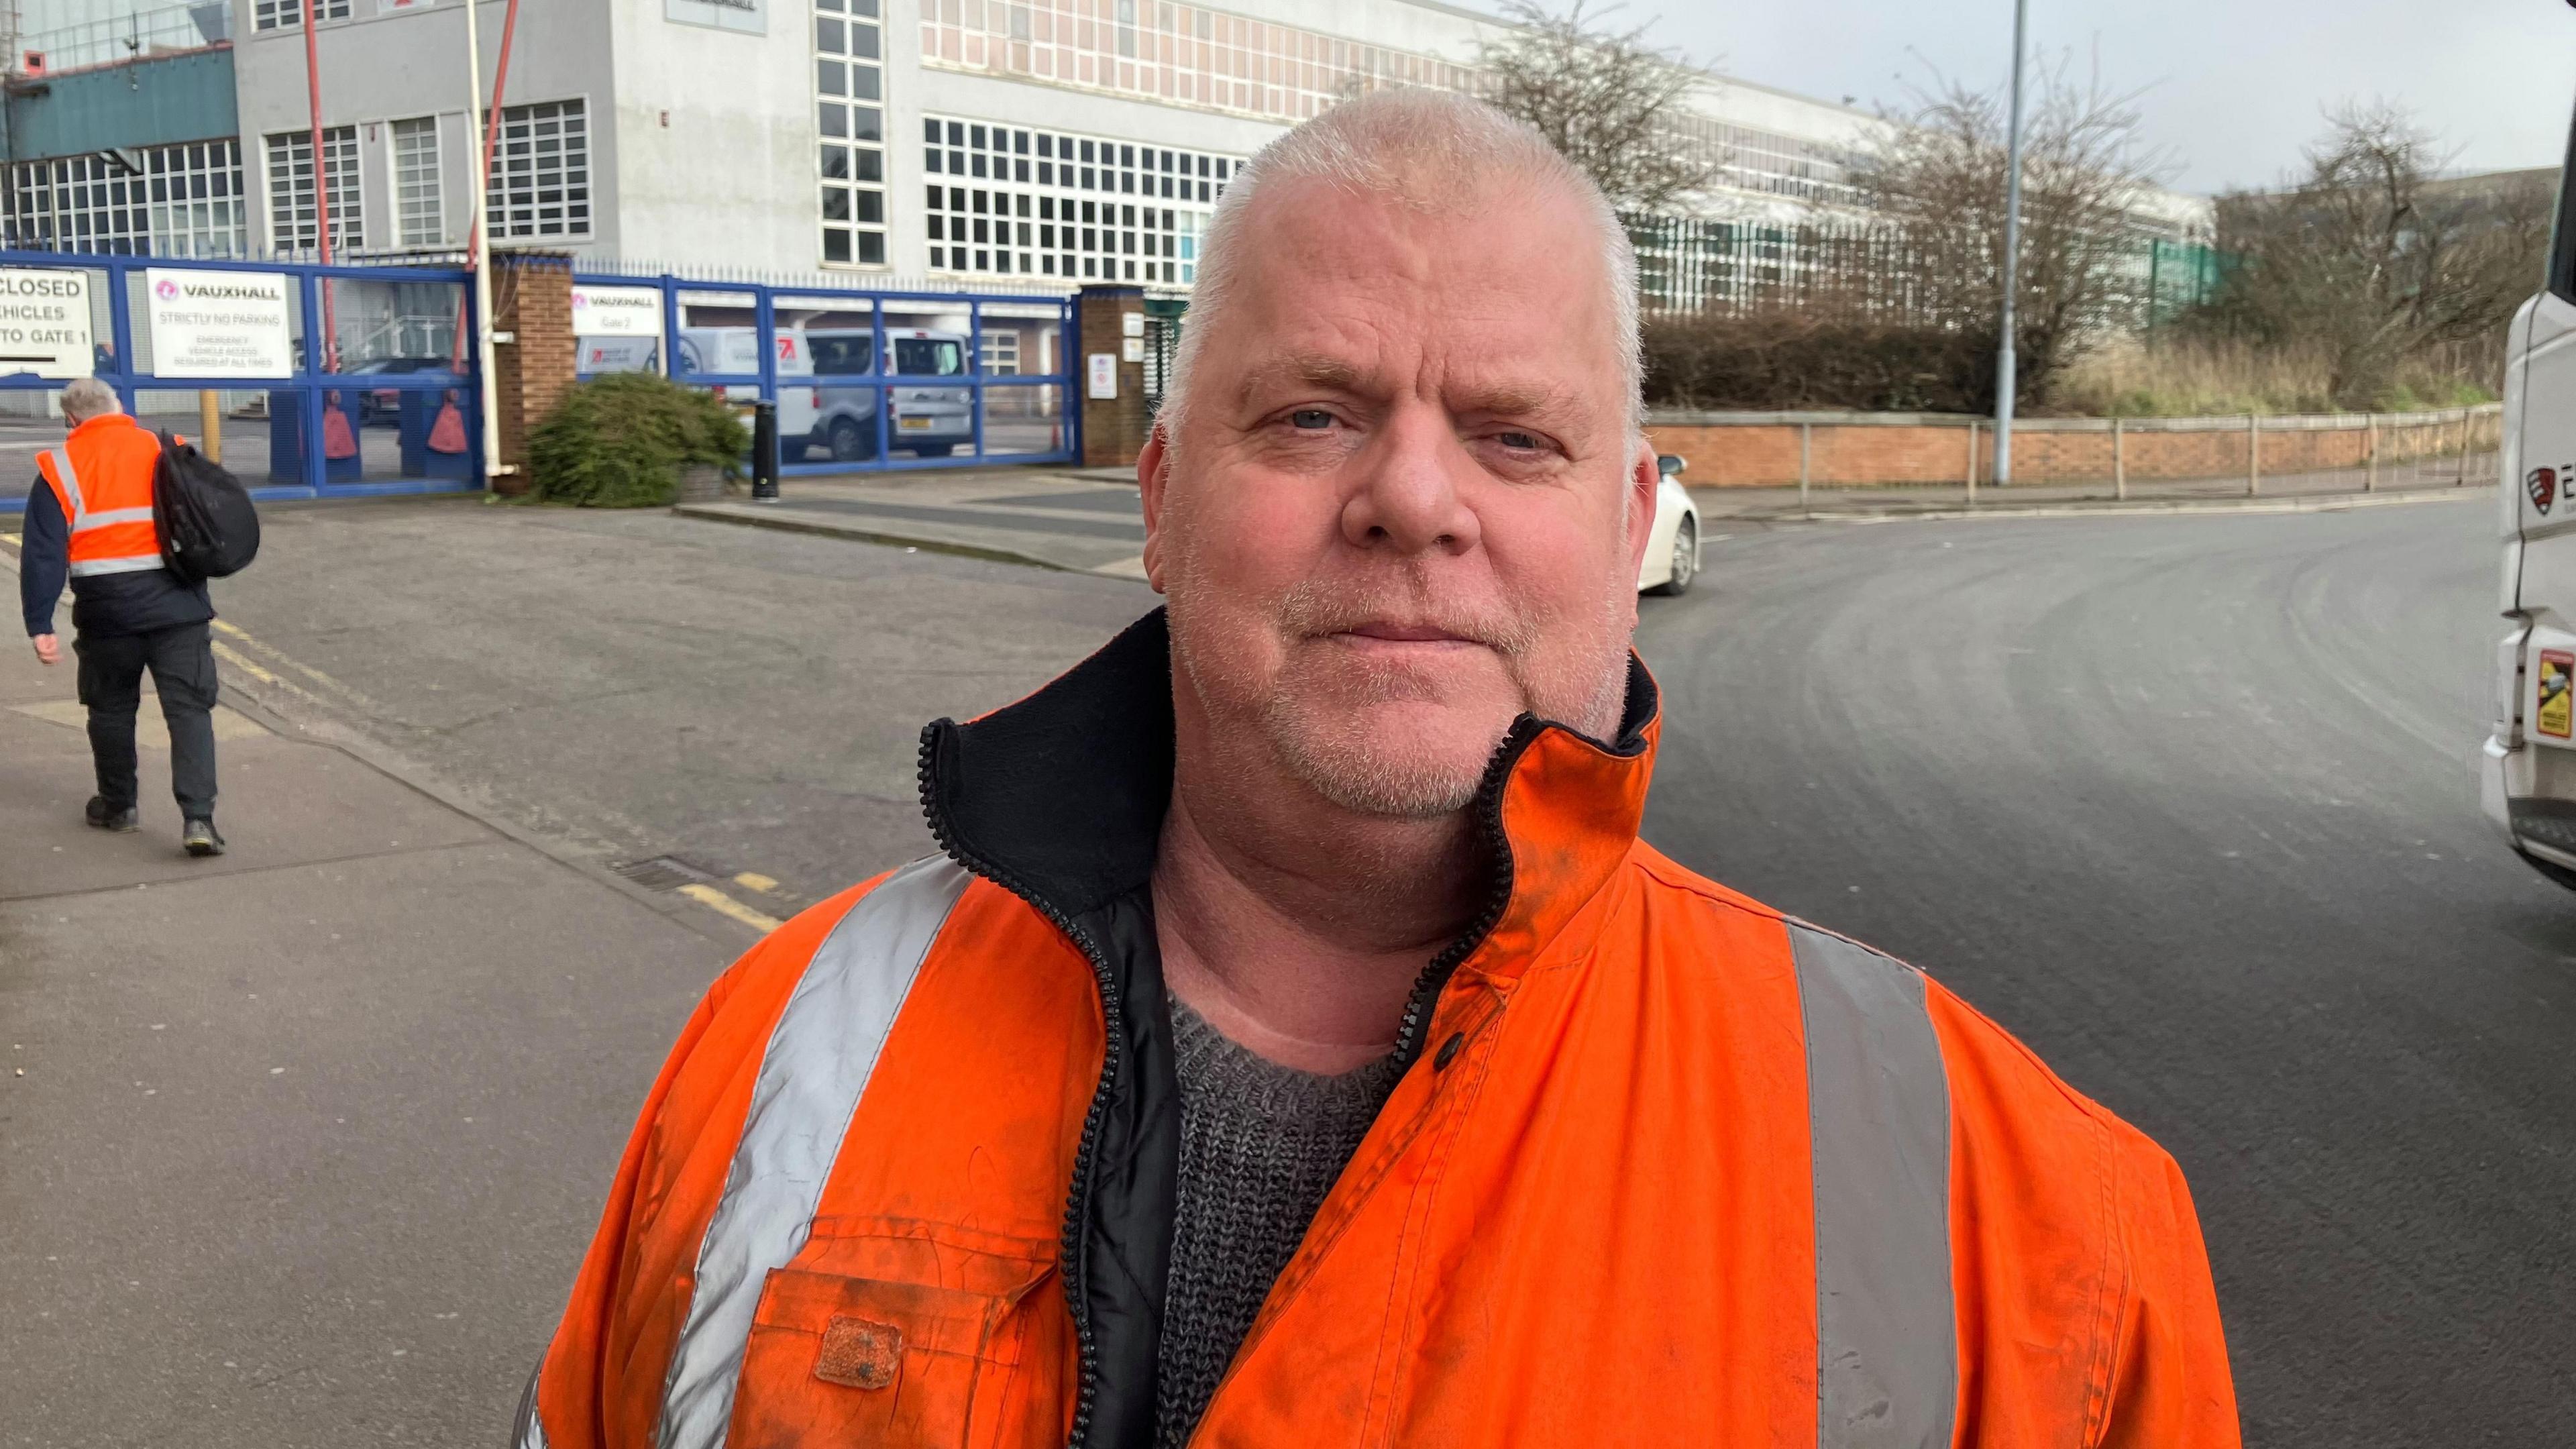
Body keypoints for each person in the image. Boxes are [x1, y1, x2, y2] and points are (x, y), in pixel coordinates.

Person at [514, 92, 2239, 1449]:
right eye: (1313, 416)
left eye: (1514, 434)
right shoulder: (772, 1050)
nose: (1414, 498)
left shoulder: (2037, 1225)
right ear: (1159, 501)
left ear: (1626, 527)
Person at [21, 377, 225, 857]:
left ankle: (119, 807)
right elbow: (207, 510)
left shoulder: (58, 467)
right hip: (178, 603)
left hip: (107, 610)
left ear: (71, 420)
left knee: (111, 709)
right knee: (189, 710)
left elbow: (44, 555)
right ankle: (199, 819)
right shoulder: (168, 446)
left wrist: (40, 623)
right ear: (120, 407)